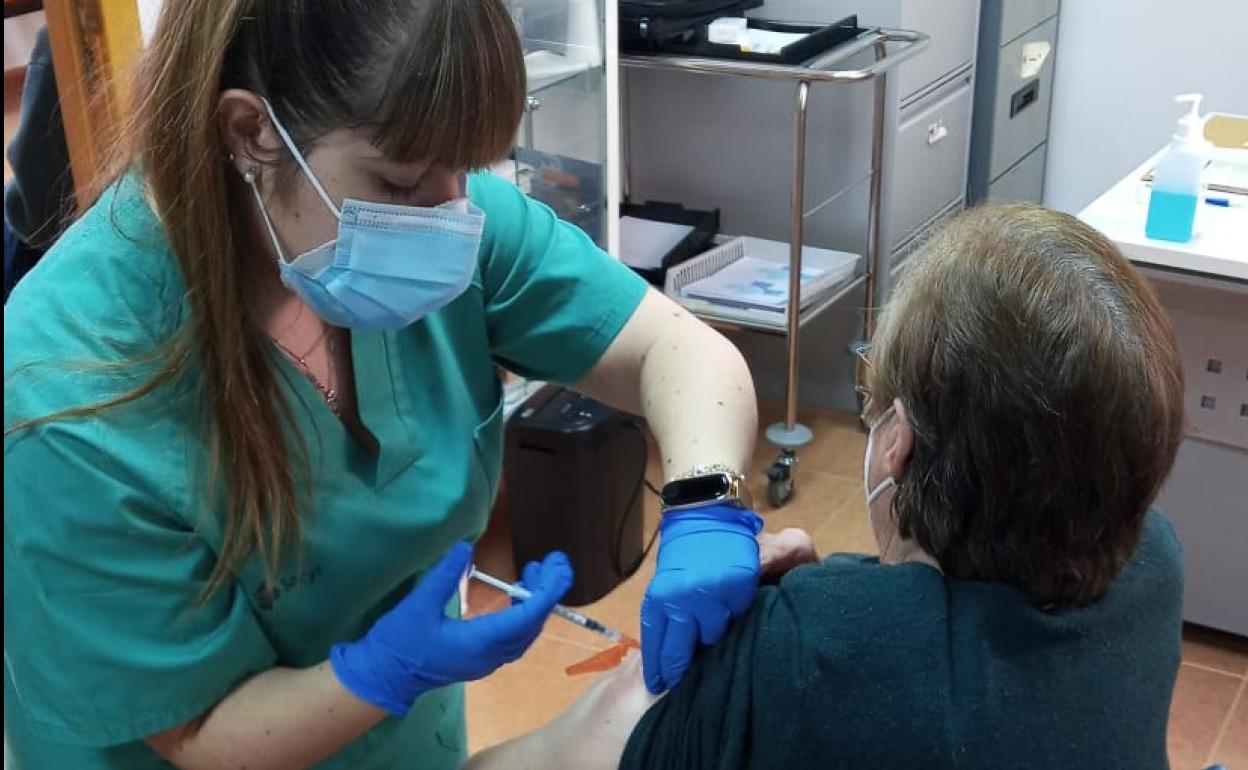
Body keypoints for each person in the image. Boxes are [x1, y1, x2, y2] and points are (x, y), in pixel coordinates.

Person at [2, 2, 764, 768]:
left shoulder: (435, 212)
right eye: (402, 181)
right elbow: (201, 736)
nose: (451, 214)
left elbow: (674, 350)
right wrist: (383, 672)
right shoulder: (70, 394)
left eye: (469, 166)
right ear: (250, 134)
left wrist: (706, 505)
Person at [465, 203, 1187, 770]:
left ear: (895, 442)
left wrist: (794, 626)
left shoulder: (801, 657)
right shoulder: (1156, 565)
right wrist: (842, 600)